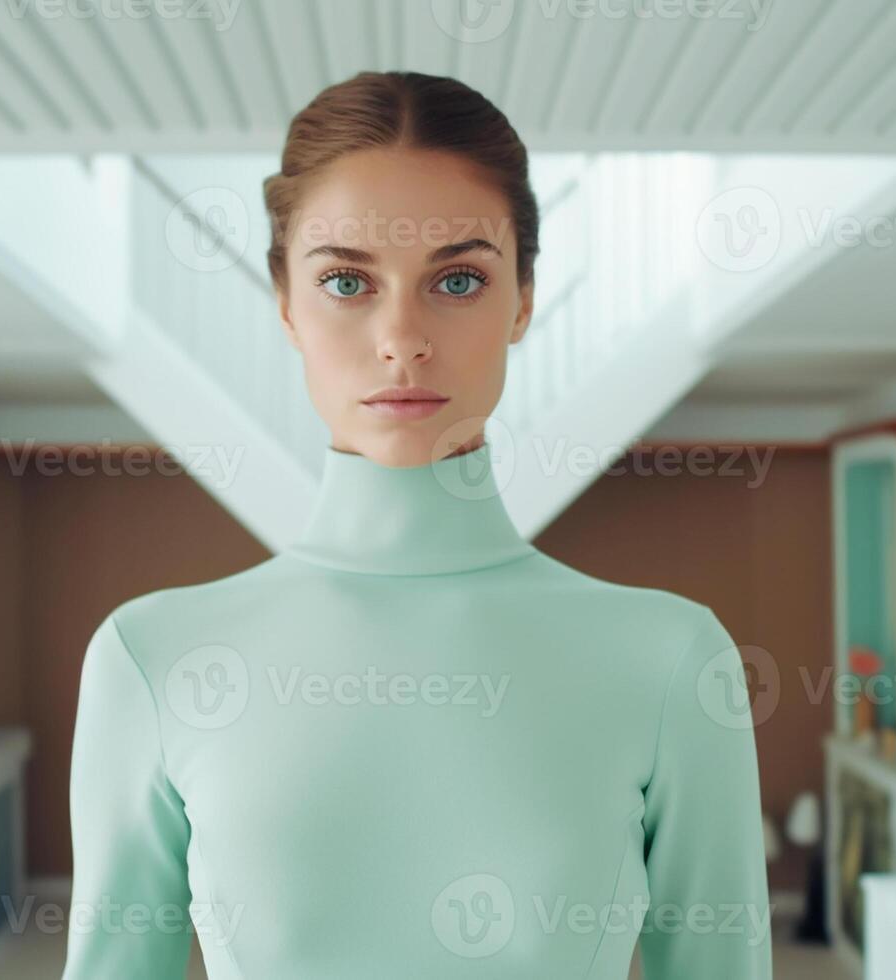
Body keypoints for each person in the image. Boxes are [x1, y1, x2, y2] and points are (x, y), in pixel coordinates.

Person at [63, 70, 772, 980]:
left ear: (522, 300)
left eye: (459, 278)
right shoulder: (150, 659)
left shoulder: (672, 659)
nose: (401, 336)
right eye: (348, 280)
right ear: (285, 303)